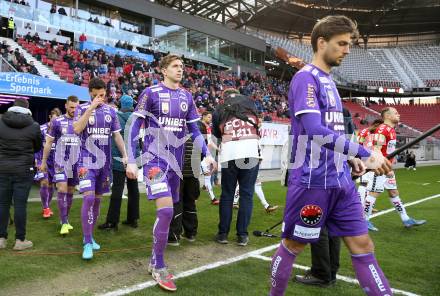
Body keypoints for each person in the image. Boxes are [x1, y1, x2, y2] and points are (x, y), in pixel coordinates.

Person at [269, 15, 393, 296]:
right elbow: (313, 129)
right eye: (342, 43)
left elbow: (331, 130)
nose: (347, 50)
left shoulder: (329, 82)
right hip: (313, 182)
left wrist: (350, 157)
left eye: (348, 44)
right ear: (321, 42)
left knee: (363, 246)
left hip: (341, 182)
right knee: (294, 246)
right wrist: (365, 152)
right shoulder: (305, 78)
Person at [126, 54, 216, 292]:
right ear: (164, 70)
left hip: (176, 165)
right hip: (155, 161)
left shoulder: (187, 96)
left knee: (171, 210)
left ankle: (155, 261)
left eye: (182, 66)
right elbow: (134, 125)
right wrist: (132, 159)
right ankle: (159, 264)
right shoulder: (150, 93)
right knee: (166, 210)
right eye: (175, 66)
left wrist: (207, 153)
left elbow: (194, 129)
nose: (180, 70)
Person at [295, 107, 356, 287]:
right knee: (330, 225)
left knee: (317, 225)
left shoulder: (314, 108)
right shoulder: (340, 110)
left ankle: (321, 272)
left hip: (319, 172)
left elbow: (315, 133)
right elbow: (346, 137)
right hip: (336, 172)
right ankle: (330, 271)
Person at [73, 78, 128, 260]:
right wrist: (90, 108)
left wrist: (126, 154)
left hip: (104, 164)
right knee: (88, 198)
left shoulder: (111, 112)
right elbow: (76, 129)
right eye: (96, 95)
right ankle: (87, 242)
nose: (99, 98)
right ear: (90, 93)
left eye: (102, 95)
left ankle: (89, 236)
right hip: (85, 161)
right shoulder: (81, 109)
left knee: (97, 201)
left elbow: (117, 136)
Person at [363, 107, 426, 232]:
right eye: (396, 113)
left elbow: (386, 149)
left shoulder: (391, 130)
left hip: (387, 168)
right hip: (380, 168)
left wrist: (391, 161)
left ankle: (406, 219)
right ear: (387, 116)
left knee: (393, 192)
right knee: (374, 192)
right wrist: (382, 167)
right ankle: (363, 221)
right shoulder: (383, 129)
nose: (399, 114)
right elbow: (376, 149)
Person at [212, 88, 261, 247]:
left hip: (230, 153)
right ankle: (242, 235)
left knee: (227, 194)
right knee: (247, 195)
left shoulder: (220, 108)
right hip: (251, 152)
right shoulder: (251, 104)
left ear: (224, 97)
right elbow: (258, 125)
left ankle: (223, 234)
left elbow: (217, 134)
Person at [0, 99, 42, 251]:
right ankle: (20, 240)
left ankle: (1, 239)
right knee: (20, 205)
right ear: (27, 108)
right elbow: (37, 147)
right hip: (23, 170)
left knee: (3, 203)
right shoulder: (34, 125)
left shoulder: (1, 122)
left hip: (3, 168)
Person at [99, 95, 140, 231]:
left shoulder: (115, 117)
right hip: (133, 158)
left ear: (121, 104)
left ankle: (112, 221)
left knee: (117, 189)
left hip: (119, 158)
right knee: (133, 189)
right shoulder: (136, 118)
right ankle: (133, 219)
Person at [40, 96, 80, 236]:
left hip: (76, 163)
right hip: (60, 161)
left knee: (70, 191)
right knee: (62, 188)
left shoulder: (82, 121)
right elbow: (49, 143)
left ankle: (66, 219)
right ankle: (63, 222)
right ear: (65, 105)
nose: (73, 110)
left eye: (75, 107)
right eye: (71, 107)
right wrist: (43, 162)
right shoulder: (57, 122)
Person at [168, 133, 201, 246]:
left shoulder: (174, 131)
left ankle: (174, 235)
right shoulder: (194, 132)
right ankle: (190, 233)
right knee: (190, 202)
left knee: (176, 202)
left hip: (179, 173)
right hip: (192, 173)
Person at [35, 108, 61, 219]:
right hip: (42, 159)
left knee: (50, 185)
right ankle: (46, 208)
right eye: (54, 119)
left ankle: (47, 206)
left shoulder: (60, 130)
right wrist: (36, 160)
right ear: (50, 117)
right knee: (44, 182)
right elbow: (35, 145)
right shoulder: (41, 128)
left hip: (55, 161)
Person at [198, 111, 219, 205]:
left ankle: (213, 198)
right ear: (203, 117)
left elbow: (209, 142)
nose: (210, 119)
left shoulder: (208, 128)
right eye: (209, 117)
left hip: (203, 155)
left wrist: (219, 149)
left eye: (211, 117)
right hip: (196, 155)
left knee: (207, 175)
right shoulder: (198, 126)